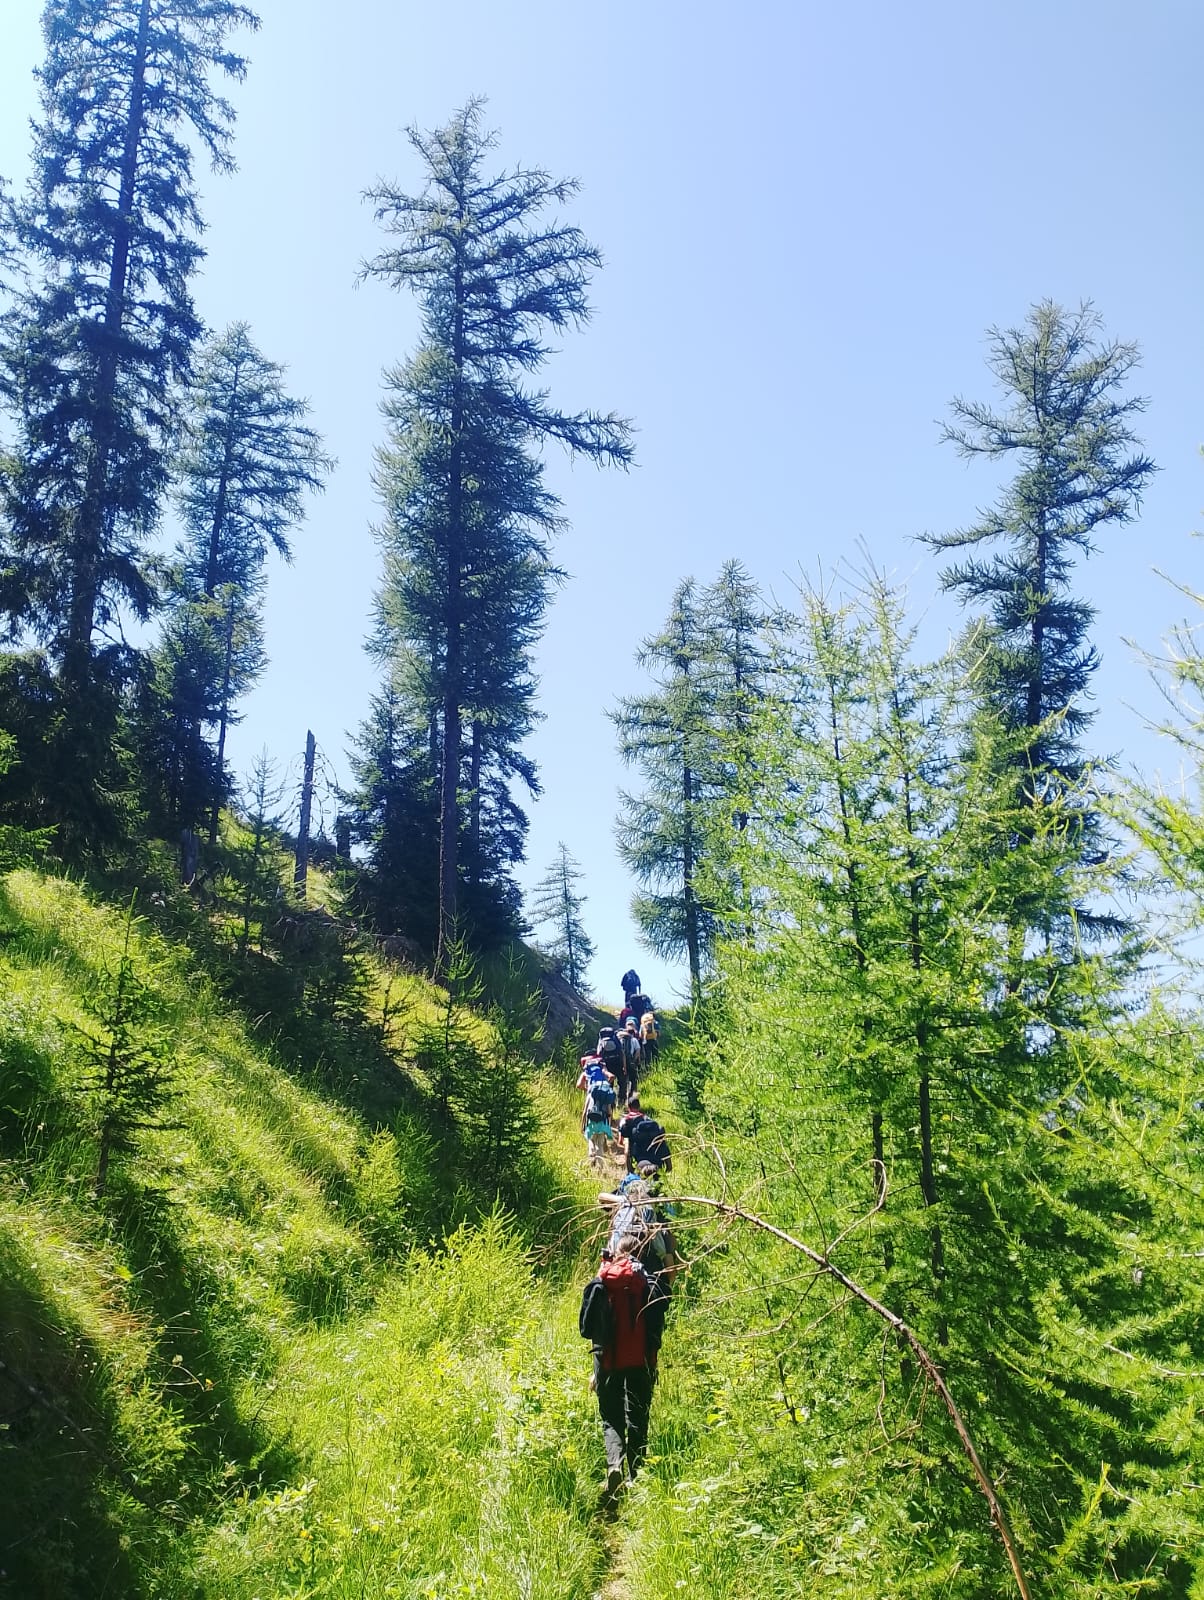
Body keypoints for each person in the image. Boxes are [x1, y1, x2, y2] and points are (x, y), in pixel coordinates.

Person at [579, 1232, 668, 1494]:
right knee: (637, 1416)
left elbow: (588, 1328)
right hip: (641, 1362)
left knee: (611, 1418)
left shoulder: (601, 1282)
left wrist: (596, 1370)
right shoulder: (648, 1283)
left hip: (607, 1362)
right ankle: (636, 1475)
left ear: (615, 1251)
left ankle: (614, 1466)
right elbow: (660, 1318)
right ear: (641, 1254)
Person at [618, 1095, 672, 1174]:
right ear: (639, 1106)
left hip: (640, 1160)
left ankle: (630, 1174)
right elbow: (664, 1148)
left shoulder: (627, 1121)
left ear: (629, 1107)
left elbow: (621, 1142)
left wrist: (630, 1169)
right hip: (657, 1161)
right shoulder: (649, 1120)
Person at [622, 1018, 643, 1102]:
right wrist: (634, 1061)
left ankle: (622, 1099)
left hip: (621, 1062)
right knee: (633, 1079)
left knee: (623, 1080)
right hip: (630, 1061)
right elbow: (638, 1051)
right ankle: (631, 1099)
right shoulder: (634, 1039)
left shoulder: (621, 1039)